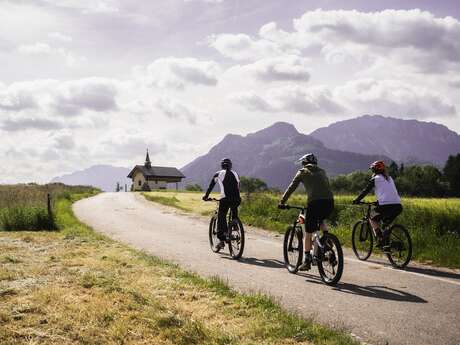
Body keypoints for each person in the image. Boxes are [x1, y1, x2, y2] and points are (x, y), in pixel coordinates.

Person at [278, 153, 334, 271]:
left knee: (308, 234)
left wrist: (282, 201)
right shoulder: (322, 171)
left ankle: (307, 261)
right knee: (321, 219)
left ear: (304, 163)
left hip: (314, 203)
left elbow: (291, 187)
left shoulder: (302, 172)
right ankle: (327, 240)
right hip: (329, 202)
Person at [353, 160, 402, 251]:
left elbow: (365, 191)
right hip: (398, 206)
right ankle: (387, 243)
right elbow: (388, 193)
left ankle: (381, 239)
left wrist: (357, 200)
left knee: (371, 217)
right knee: (384, 224)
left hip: (386, 206)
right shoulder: (389, 178)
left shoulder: (375, 179)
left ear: (374, 171)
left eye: (372, 170)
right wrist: (378, 202)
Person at [202, 158, 241, 250]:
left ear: (222, 165)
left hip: (225, 199)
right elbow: (238, 187)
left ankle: (222, 238)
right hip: (237, 199)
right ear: (230, 165)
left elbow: (211, 186)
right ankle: (235, 226)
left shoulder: (218, 173)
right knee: (234, 212)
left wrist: (206, 196)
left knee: (221, 216)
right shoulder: (236, 174)